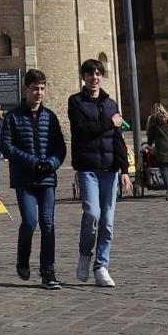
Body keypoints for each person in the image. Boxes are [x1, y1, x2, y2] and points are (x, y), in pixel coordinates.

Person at [0, 68, 69, 289]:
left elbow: (60, 147)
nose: (39, 93)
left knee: (48, 224)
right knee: (30, 221)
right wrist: (31, 161)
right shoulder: (13, 117)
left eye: (42, 89)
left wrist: (52, 163)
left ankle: (48, 270)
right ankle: (22, 259)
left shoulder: (50, 117)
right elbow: (6, 146)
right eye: (35, 89)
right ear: (26, 89)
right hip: (25, 178)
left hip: (47, 178)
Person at [65, 58, 125, 287]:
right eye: (90, 74)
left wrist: (125, 171)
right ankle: (84, 254)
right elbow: (82, 130)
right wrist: (111, 123)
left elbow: (118, 140)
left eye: (98, 73)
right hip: (87, 167)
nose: (94, 78)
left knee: (108, 221)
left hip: (109, 168)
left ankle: (102, 266)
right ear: (83, 77)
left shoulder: (111, 103)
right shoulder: (76, 102)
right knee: (92, 214)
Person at [144, 103, 168, 193]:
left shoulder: (154, 119)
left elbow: (151, 134)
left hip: (161, 147)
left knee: (164, 168)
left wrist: (149, 143)